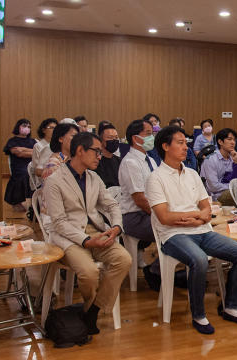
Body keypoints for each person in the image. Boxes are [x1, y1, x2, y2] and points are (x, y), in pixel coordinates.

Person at [146, 125, 237, 334]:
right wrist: (196, 216)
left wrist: (197, 218)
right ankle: (199, 315)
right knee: (198, 259)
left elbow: (207, 208)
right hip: (173, 235)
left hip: (202, 231)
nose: (185, 147)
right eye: (179, 142)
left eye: (185, 143)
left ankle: (232, 306)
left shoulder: (192, 174)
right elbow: (165, 217)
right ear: (165, 146)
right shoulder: (155, 178)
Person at [43, 132, 132, 335]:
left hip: (95, 231)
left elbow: (111, 205)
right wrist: (85, 240)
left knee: (124, 259)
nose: (99, 157)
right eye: (96, 152)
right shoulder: (55, 180)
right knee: (89, 273)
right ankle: (89, 309)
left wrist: (117, 227)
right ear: (80, 151)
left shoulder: (93, 177)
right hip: (68, 237)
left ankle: (93, 310)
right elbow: (58, 222)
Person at [118, 119, 161, 279]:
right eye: (149, 134)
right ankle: (155, 272)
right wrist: (162, 215)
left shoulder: (149, 160)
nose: (152, 138)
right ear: (136, 138)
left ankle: (160, 270)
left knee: (180, 226)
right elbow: (140, 199)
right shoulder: (130, 162)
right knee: (172, 229)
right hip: (134, 217)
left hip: (149, 214)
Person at [200, 127, 237, 206]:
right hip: (214, 196)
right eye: (229, 139)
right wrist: (232, 187)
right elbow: (213, 187)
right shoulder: (210, 160)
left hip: (228, 191)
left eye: (234, 140)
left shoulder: (232, 158)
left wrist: (236, 163)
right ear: (220, 142)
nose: (233, 142)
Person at [3, 118, 36, 212]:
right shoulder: (12, 141)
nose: (27, 128)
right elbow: (19, 153)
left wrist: (24, 149)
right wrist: (30, 151)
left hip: (32, 164)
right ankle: (17, 201)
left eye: (29, 127)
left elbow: (38, 153)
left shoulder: (33, 141)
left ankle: (35, 201)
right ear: (18, 127)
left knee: (36, 173)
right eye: (24, 126)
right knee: (24, 173)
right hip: (18, 166)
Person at [93, 121, 122, 188]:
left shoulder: (119, 161)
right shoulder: (96, 161)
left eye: (116, 137)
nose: (114, 140)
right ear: (101, 140)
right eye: (110, 137)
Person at [31, 118, 58, 187]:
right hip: (42, 178)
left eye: (56, 128)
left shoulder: (58, 145)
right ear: (43, 130)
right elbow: (36, 168)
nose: (54, 130)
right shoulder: (38, 146)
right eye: (51, 128)